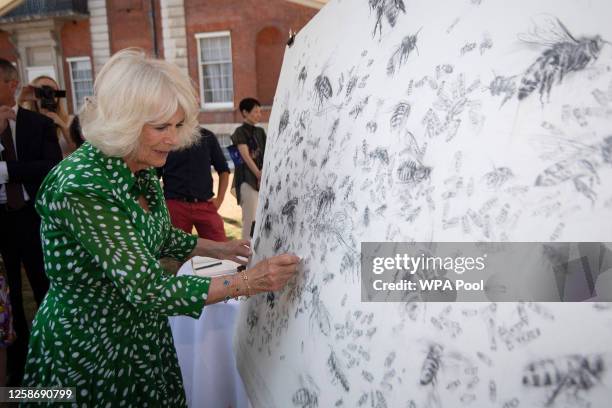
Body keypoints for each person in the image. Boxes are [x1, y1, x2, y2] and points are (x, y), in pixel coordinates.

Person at [23, 48, 300, 406]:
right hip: (89, 347)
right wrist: (251, 281)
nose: (173, 139)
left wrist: (221, 248)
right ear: (124, 121)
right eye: (161, 127)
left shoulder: (140, 164)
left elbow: (159, 235)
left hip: (140, 335)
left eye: (178, 125)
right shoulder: (83, 186)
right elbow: (149, 289)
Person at [0, 59, 62, 386]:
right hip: (0, 223)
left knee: (44, 288)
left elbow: (51, 166)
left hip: (32, 218)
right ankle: (18, 363)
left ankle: (52, 357)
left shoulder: (37, 124)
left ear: (11, 84)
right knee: (7, 297)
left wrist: (8, 172)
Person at [160, 126, 230, 241]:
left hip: (205, 205)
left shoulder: (207, 137)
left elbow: (223, 170)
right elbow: (154, 175)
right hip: (175, 206)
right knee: (174, 254)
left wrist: (220, 199)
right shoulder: (167, 138)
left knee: (221, 248)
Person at [231, 98, 267, 239]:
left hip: (261, 179)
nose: (259, 115)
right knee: (250, 220)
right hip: (247, 180)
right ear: (245, 112)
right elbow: (245, 156)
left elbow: (266, 154)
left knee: (261, 219)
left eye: (260, 112)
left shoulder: (260, 131)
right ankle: (245, 255)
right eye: (256, 112)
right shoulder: (239, 132)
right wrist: (258, 174)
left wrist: (263, 174)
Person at [18, 75, 76, 156]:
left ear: (58, 94)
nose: (48, 93)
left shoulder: (71, 121)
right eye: (43, 89)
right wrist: (20, 99)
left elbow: (78, 150)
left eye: (53, 90)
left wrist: (62, 125)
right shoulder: (25, 121)